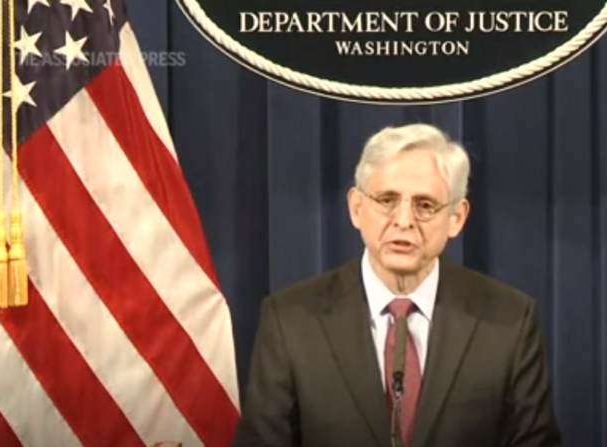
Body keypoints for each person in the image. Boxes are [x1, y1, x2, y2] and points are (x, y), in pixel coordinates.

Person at [232, 124, 562, 447]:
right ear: (356, 208)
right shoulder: (290, 322)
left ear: (456, 218)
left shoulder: (509, 321)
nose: (403, 221)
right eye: (387, 200)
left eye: (425, 205)